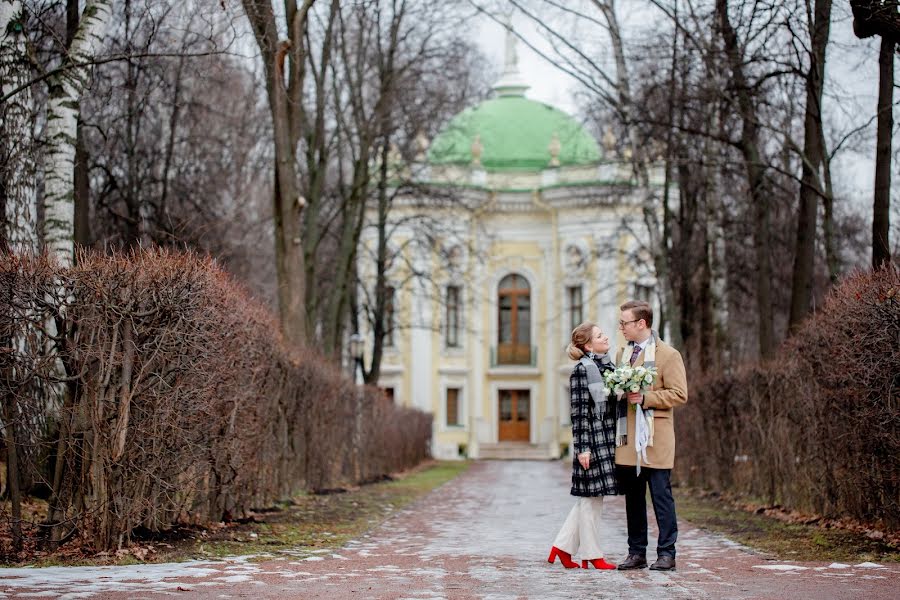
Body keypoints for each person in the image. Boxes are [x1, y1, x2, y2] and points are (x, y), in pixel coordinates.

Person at [613, 300, 687, 572]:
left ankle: (667, 553)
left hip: (656, 439)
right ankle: (636, 553)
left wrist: (646, 397)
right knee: (633, 499)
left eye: (625, 323)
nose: (621, 328)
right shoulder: (622, 353)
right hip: (627, 440)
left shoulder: (668, 355)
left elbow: (680, 394)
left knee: (661, 497)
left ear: (641, 324)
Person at [547, 322, 619, 571]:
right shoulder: (582, 370)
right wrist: (583, 449)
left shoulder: (610, 367)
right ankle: (592, 554)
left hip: (608, 439)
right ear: (588, 345)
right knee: (591, 500)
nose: (606, 337)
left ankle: (562, 547)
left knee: (592, 499)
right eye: (600, 335)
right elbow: (578, 414)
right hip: (592, 441)